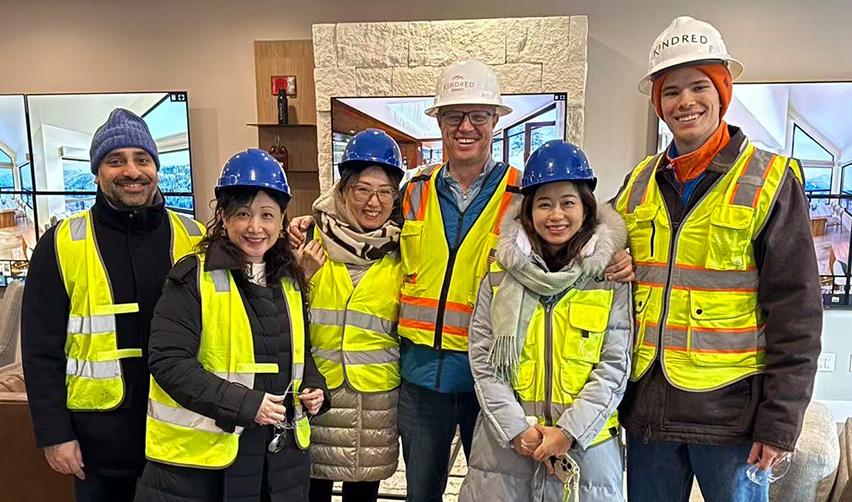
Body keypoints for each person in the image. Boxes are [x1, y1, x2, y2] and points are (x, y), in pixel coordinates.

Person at [291, 59, 634, 502]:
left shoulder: (522, 196)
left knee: (497, 493)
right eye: (454, 116)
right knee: (422, 495)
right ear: (439, 122)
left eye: (479, 115)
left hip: (490, 382)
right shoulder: (412, 191)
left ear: (495, 120)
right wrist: (307, 224)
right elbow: (359, 219)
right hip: (420, 382)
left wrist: (616, 253)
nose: (466, 126)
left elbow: (577, 229)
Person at [615, 16, 822, 502]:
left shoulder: (770, 180)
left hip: (733, 419)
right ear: (658, 104)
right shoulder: (639, 182)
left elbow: (798, 314)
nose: (685, 102)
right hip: (648, 410)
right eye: (671, 91)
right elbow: (601, 261)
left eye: (699, 86)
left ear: (723, 91)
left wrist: (780, 423)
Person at [21, 108, 205, 501]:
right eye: (115, 160)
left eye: (142, 159)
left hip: (184, 434)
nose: (132, 171)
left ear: (155, 167)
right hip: (97, 446)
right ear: (97, 171)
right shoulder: (61, 243)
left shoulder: (196, 237)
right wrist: (55, 434)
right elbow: (40, 351)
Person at [134, 149, 329, 502]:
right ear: (223, 218)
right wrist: (246, 404)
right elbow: (168, 361)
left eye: (267, 215)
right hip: (201, 467)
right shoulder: (193, 277)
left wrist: (316, 388)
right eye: (243, 214)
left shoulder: (288, 280)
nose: (256, 227)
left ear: (282, 220)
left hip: (278, 466)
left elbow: (300, 354)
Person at [458, 140, 631, 502]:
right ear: (527, 212)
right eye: (544, 204)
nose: (556, 215)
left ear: (585, 207)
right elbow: (484, 360)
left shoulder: (608, 276)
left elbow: (614, 365)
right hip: (507, 450)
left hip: (586, 448)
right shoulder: (500, 274)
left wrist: (568, 431)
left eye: (568, 203)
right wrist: (516, 429)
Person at [299, 129, 405, 502]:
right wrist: (301, 278)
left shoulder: (404, 251)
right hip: (316, 395)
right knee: (312, 491)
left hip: (375, 399)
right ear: (343, 190)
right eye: (362, 189)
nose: (373, 202)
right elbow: (277, 315)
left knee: (363, 495)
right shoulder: (308, 240)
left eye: (384, 191)